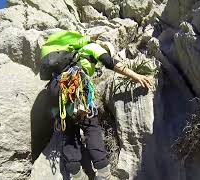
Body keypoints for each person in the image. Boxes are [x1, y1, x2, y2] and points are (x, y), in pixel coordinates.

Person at [40, 31, 153, 180]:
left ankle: (77, 175)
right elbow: (110, 62)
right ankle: (103, 173)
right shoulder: (93, 47)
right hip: (75, 84)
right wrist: (136, 75)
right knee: (91, 127)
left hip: (56, 89)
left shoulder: (72, 53)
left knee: (69, 132)